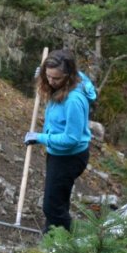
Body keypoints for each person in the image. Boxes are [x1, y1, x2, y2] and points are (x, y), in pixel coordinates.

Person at [24, 49, 92, 233]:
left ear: (69, 76)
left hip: (70, 157)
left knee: (52, 206)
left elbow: (71, 139)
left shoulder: (74, 101)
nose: (51, 82)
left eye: (56, 78)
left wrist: (40, 137)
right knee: (57, 201)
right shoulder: (64, 83)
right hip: (58, 154)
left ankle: (65, 245)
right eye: (48, 77)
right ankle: (53, 240)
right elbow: (57, 75)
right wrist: (43, 74)